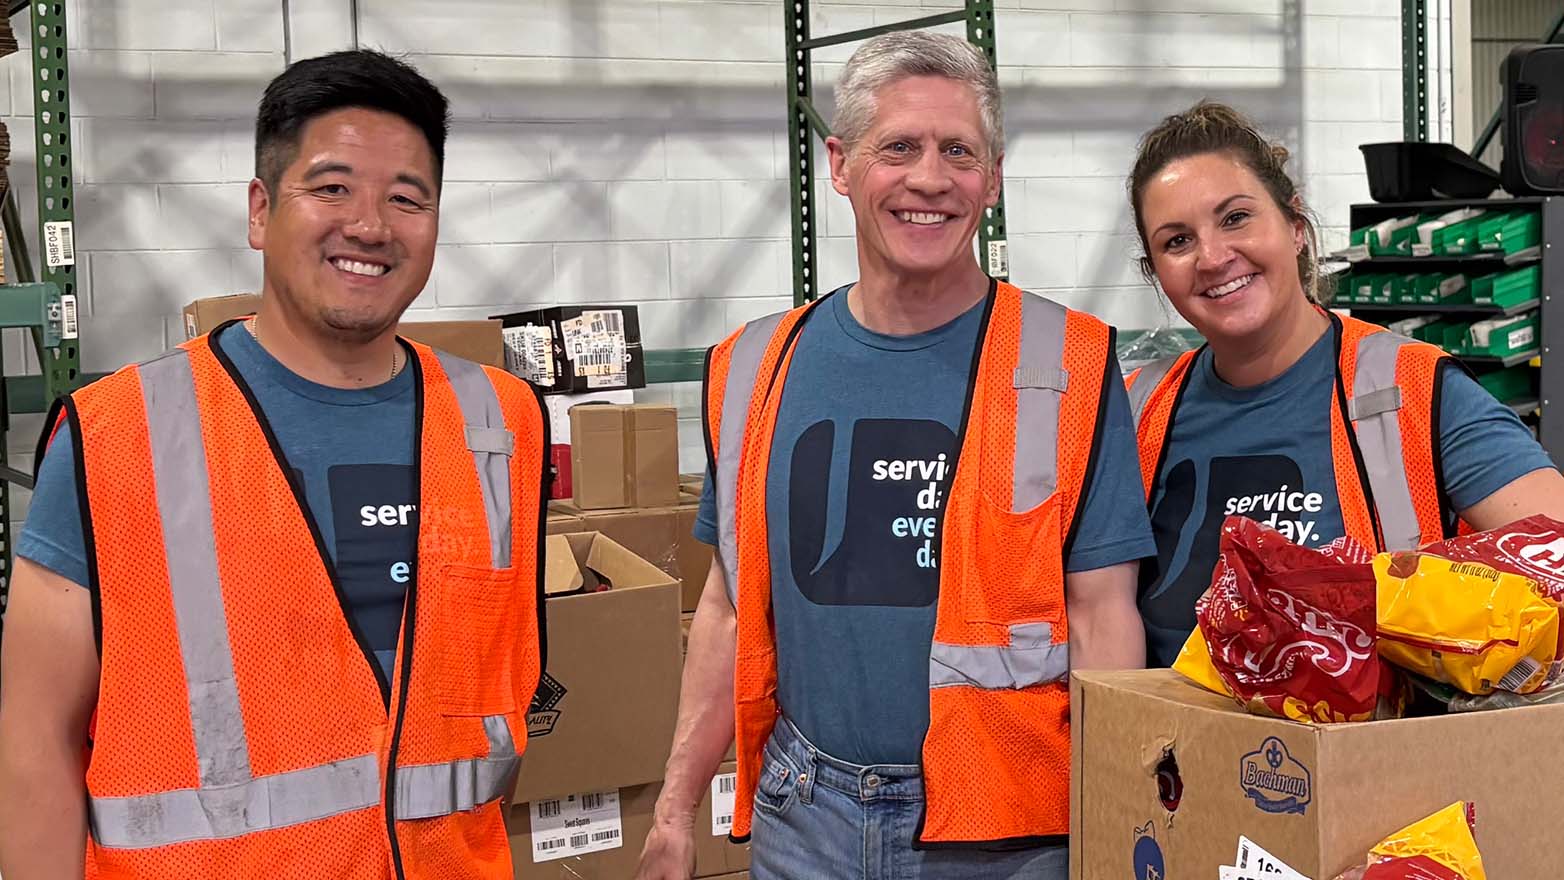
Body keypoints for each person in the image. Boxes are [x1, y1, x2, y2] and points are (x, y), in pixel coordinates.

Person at [0, 50, 548, 879]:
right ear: (260, 211)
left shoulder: (502, 422)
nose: (370, 224)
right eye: (331, 188)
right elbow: (33, 737)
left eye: (407, 198)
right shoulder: (119, 432)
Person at [635, 31, 1152, 880]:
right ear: (839, 164)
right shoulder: (750, 368)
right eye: (898, 148)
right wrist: (673, 811)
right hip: (802, 818)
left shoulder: (1068, 363)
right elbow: (728, 610)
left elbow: (1101, 615)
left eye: (960, 151)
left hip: (1010, 829)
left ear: (993, 175)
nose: (929, 179)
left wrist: (1113, 827)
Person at [1125, 100, 1564, 667]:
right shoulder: (1135, 410)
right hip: (1171, 747)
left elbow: (1554, 554)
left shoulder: (1416, 391)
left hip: (1375, 750)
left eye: (1235, 218)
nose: (1212, 257)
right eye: (1177, 241)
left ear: (1295, 224)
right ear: (1155, 271)